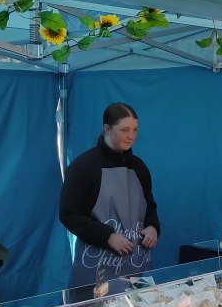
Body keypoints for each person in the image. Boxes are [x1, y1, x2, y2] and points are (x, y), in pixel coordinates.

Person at [59, 102, 160, 288]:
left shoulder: (139, 167)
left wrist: (153, 226)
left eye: (135, 130)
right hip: (97, 270)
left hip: (136, 265)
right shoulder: (83, 167)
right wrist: (108, 237)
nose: (131, 136)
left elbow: (150, 206)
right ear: (107, 128)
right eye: (124, 130)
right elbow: (69, 214)